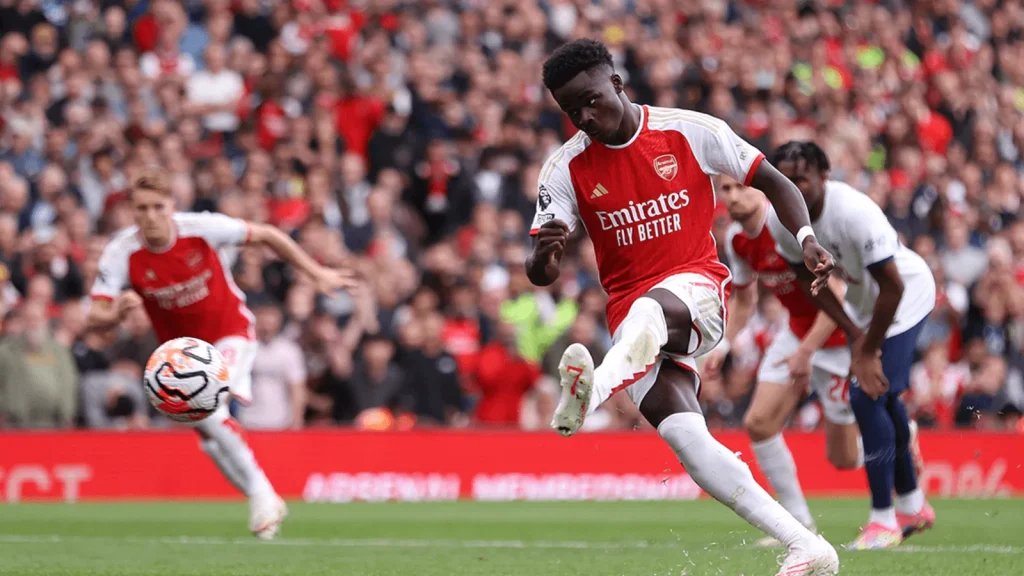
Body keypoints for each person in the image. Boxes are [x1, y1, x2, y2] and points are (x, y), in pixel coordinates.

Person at [525, 39, 839, 576]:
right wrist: (543, 257)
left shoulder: (689, 130)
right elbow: (540, 272)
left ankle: (590, 393)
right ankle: (807, 546)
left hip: (698, 291)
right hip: (630, 323)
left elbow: (774, 181)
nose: (585, 117)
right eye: (572, 111)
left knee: (650, 311)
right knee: (686, 439)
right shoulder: (565, 168)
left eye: (591, 101)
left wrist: (806, 238)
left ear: (617, 84)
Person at [86, 169, 354, 539]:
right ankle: (264, 504)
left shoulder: (201, 228)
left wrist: (316, 273)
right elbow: (94, 316)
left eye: (158, 207)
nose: (150, 216)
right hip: (179, 355)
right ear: (132, 211)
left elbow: (268, 234)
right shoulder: (122, 251)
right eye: (142, 208)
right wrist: (116, 313)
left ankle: (262, 493)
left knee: (209, 408)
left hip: (231, 333)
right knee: (208, 436)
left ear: (172, 206)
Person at [765, 142, 937, 550]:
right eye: (785, 180)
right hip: (864, 307)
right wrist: (854, 334)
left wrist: (866, 349)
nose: (794, 189)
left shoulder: (854, 212)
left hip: (906, 298)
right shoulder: (779, 220)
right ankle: (913, 505)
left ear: (825, 176)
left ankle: (883, 520)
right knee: (883, 396)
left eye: (802, 179)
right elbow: (807, 282)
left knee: (865, 396)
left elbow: (893, 286)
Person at [705, 175, 861, 546]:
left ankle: (898, 433)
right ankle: (799, 524)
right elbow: (745, 300)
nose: (734, 196)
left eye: (741, 186)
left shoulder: (788, 227)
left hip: (837, 335)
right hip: (796, 331)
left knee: (845, 459)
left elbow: (837, 292)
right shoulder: (737, 239)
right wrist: (723, 345)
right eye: (726, 189)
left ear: (761, 188)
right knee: (758, 423)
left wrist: (806, 352)